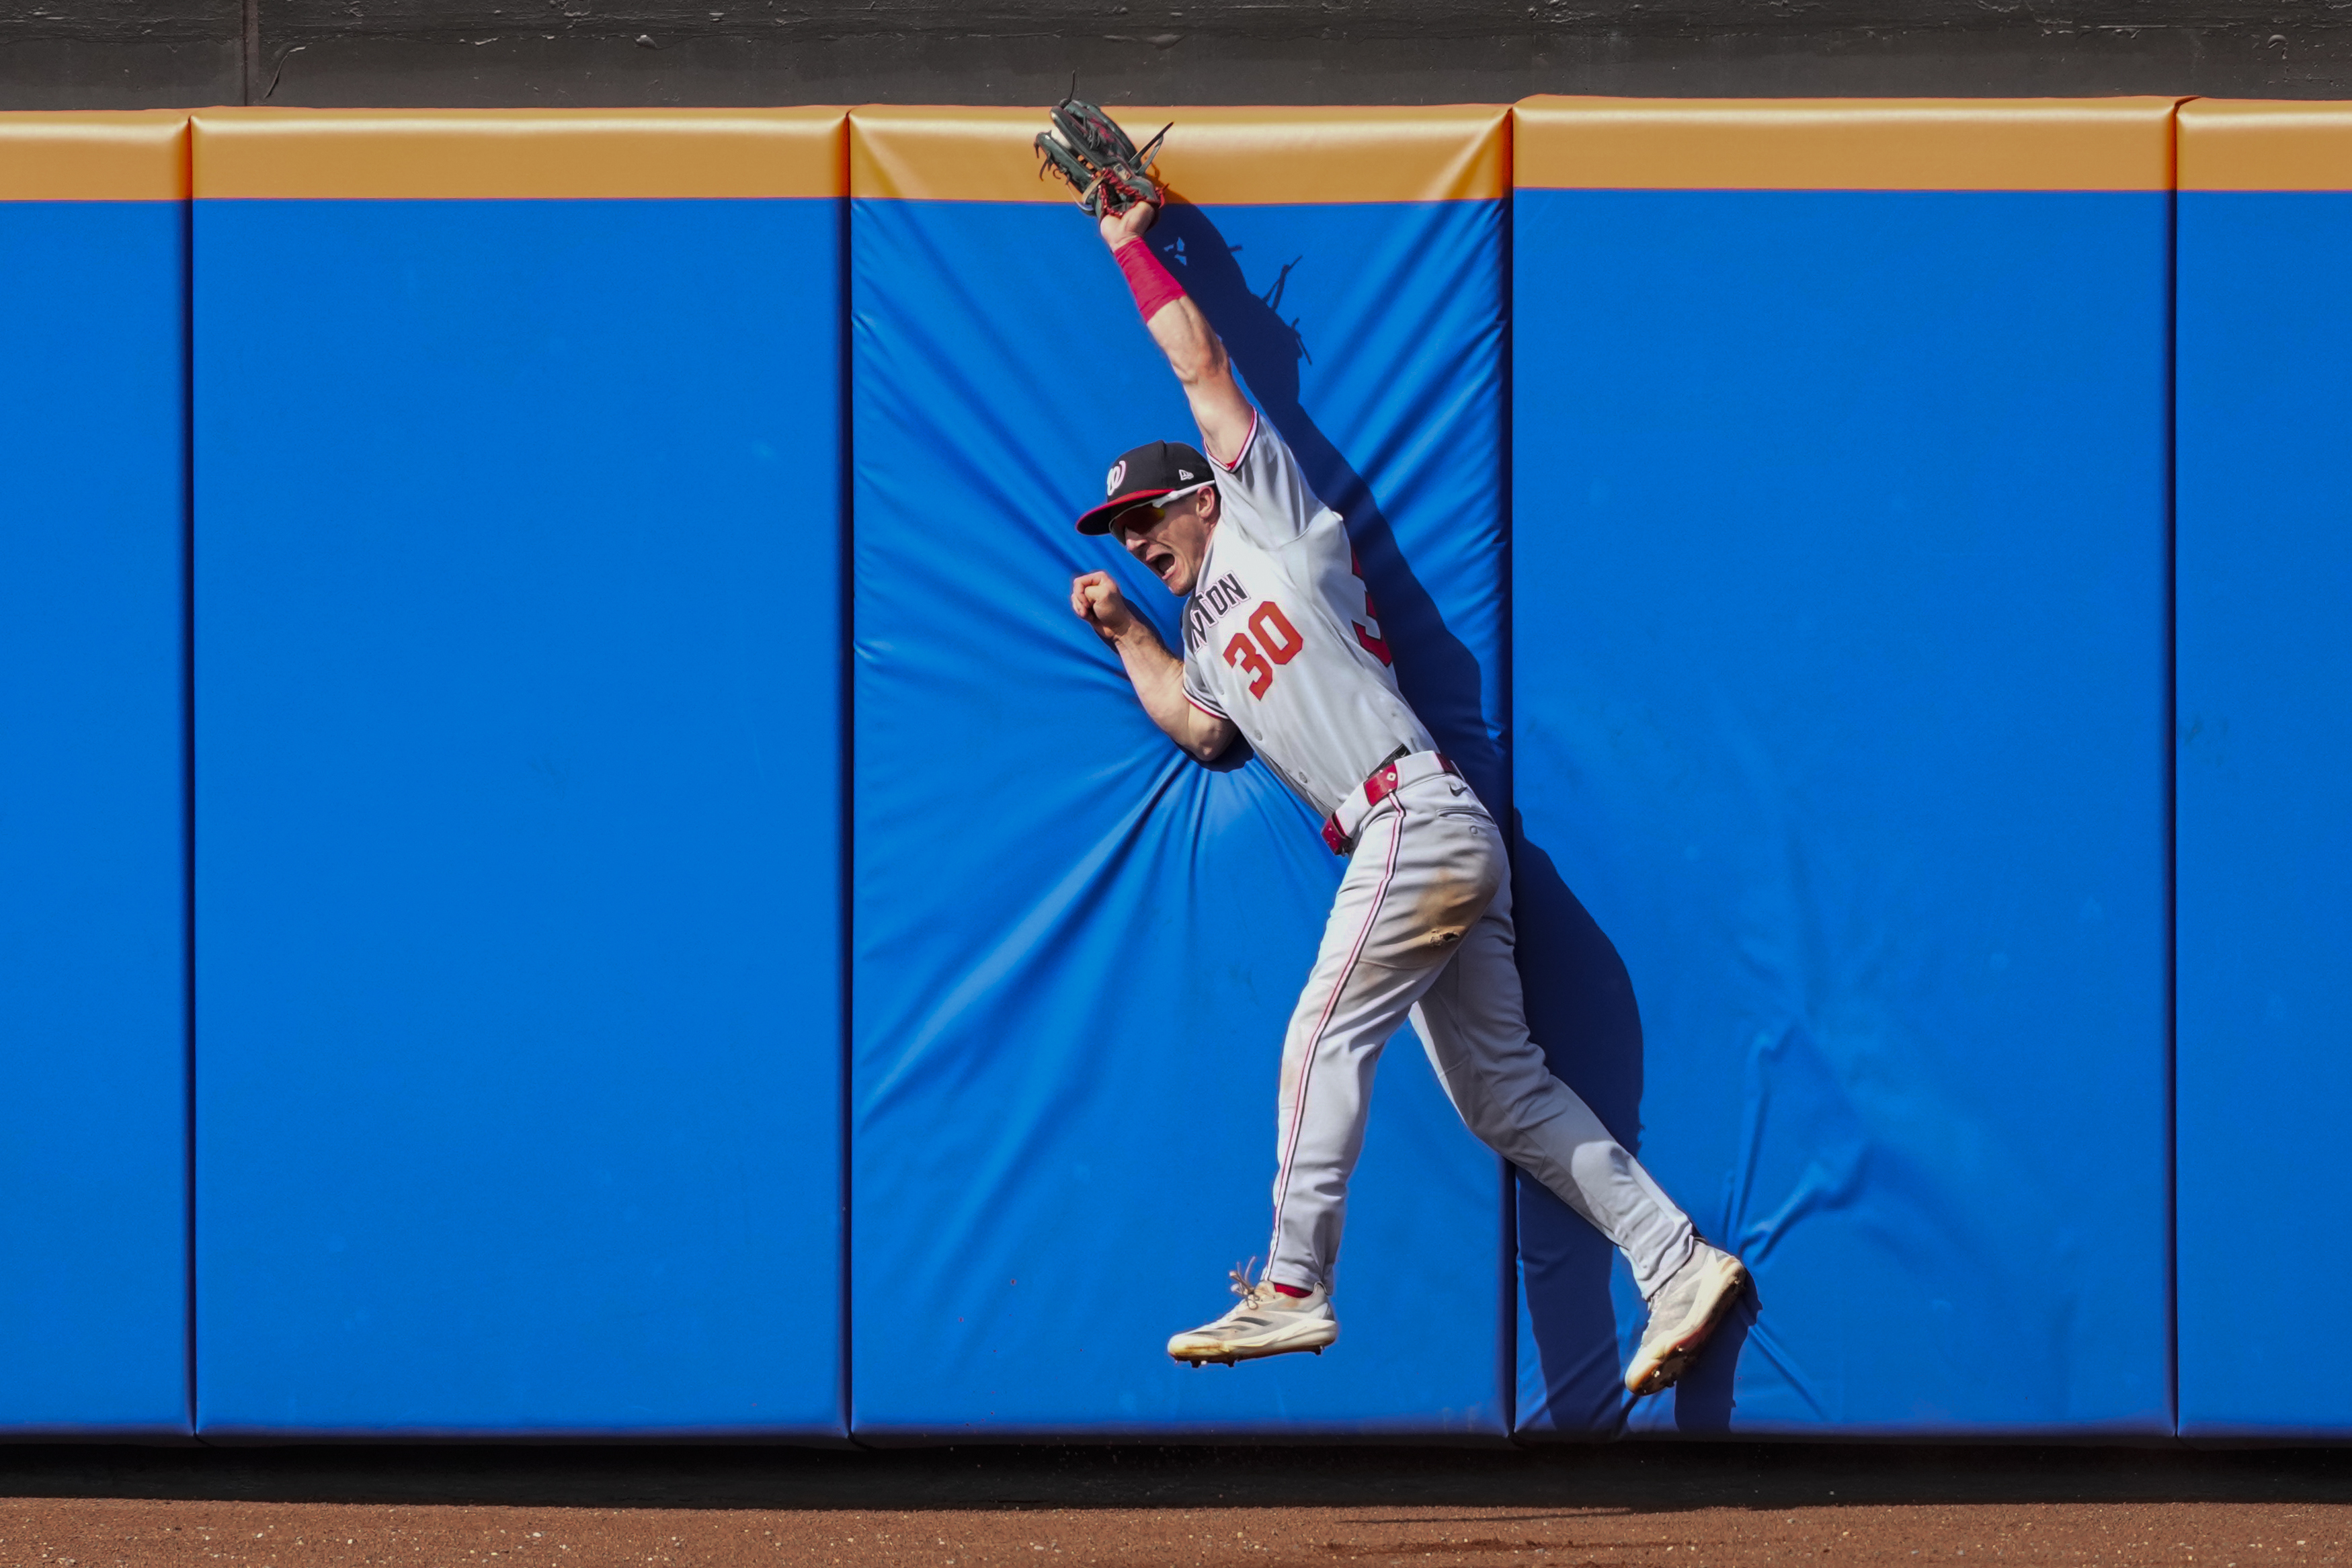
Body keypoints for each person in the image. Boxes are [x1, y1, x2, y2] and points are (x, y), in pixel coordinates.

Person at [1064, 194, 1748, 1397]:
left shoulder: (1265, 517)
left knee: (1318, 1034)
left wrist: (1129, 245)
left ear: (1201, 496)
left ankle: (1290, 1283)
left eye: (1143, 515)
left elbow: (1203, 362)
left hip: (1409, 816)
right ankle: (1676, 1259)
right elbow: (1201, 730)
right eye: (1118, 530)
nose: (1133, 535)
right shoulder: (1198, 627)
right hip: (1413, 840)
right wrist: (1126, 630)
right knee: (1501, 1093)